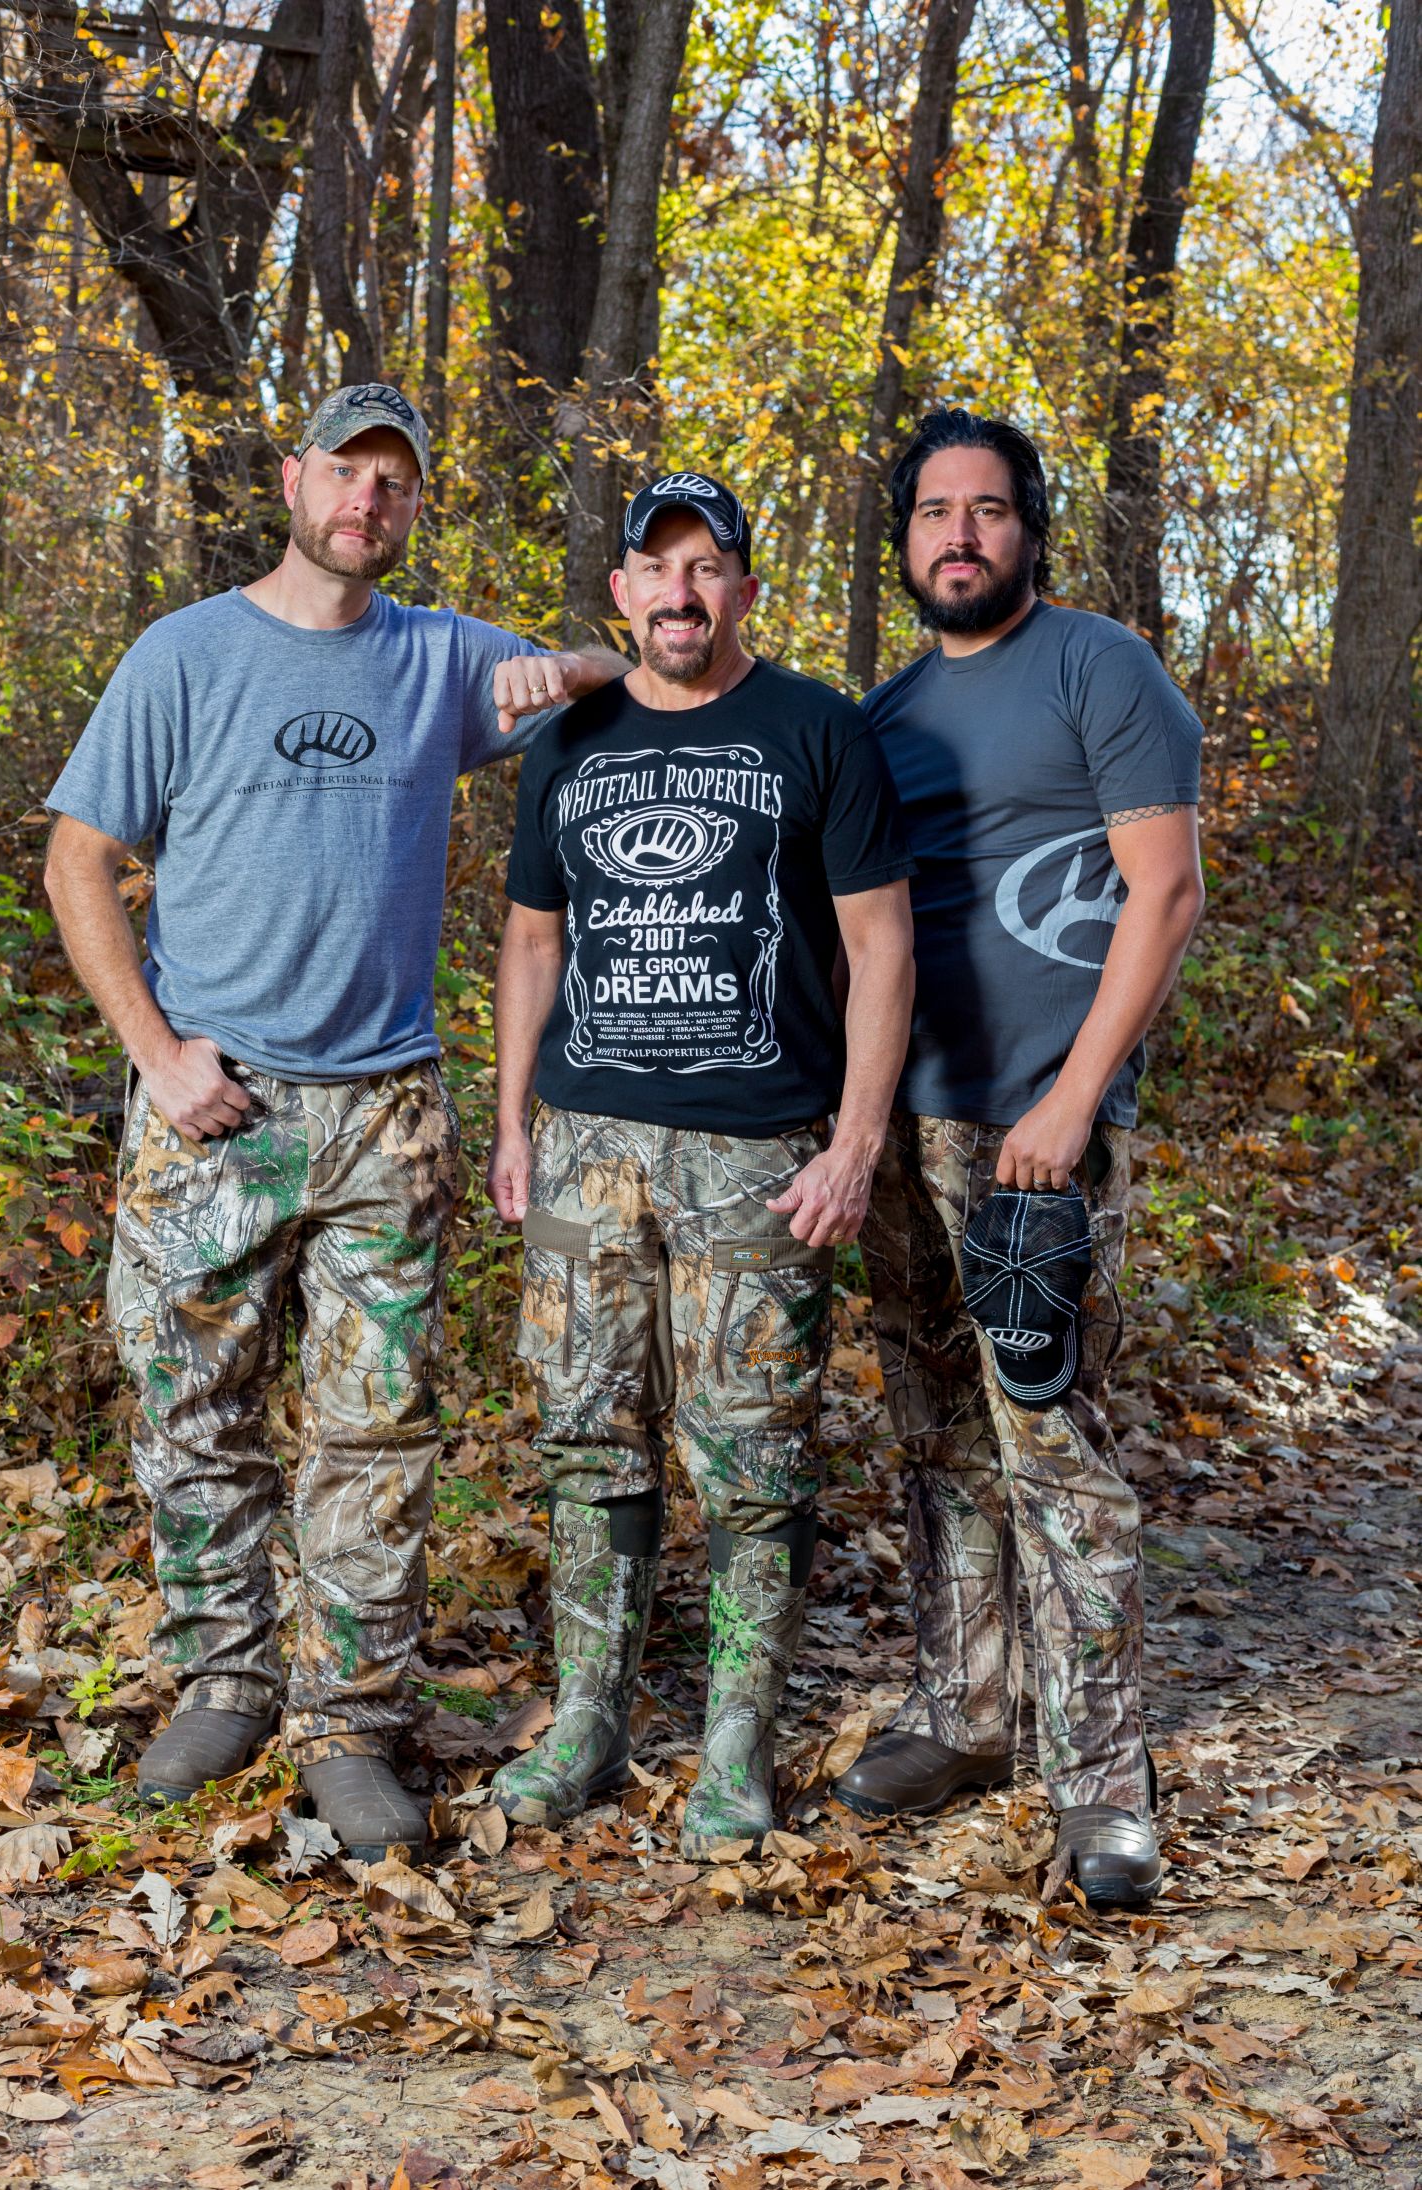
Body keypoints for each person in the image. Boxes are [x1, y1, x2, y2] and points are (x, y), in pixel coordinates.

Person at [43, 383, 626, 1863]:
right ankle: (229, 1679)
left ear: (413, 508)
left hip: (386, 1112)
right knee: (191, 1408)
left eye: (396, 483)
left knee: (373, 1430)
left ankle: (353, 1720)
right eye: (347, 471)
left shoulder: (438, 657)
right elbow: (77, 863)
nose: (367, 499)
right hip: (214, 1109)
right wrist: (159, 1057)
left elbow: (605, 671)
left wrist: (564, 662)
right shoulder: (181, 655)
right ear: (296, 478)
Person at [485, 472, 916, 1857]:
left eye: (706, 566)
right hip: (583, 1152)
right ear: (621, 589)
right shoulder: (571, 737)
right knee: (582, 1427)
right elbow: (534, 943)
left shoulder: (817, 730)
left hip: (760, 1150)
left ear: (743, 585)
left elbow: (883, 944)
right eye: (655, 568)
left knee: (754, 1450)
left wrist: (855, 1139)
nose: (680, 592)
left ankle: (736, 1734)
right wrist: (512, 1126)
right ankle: (588, 1716)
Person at [831, 406, 1205, 1907]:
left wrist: (1072, 1100)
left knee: (1051, 1434)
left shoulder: (1101, 670)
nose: (961, 535)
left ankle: (1107, 1783)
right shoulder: (884, 713)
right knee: (935, 1433)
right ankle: (968, 1713)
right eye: (934, 514)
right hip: (904, 1121)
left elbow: (1163, 895)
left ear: (1030, 529)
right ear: (906, 539)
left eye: (989, 510)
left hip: (1042, 1130)